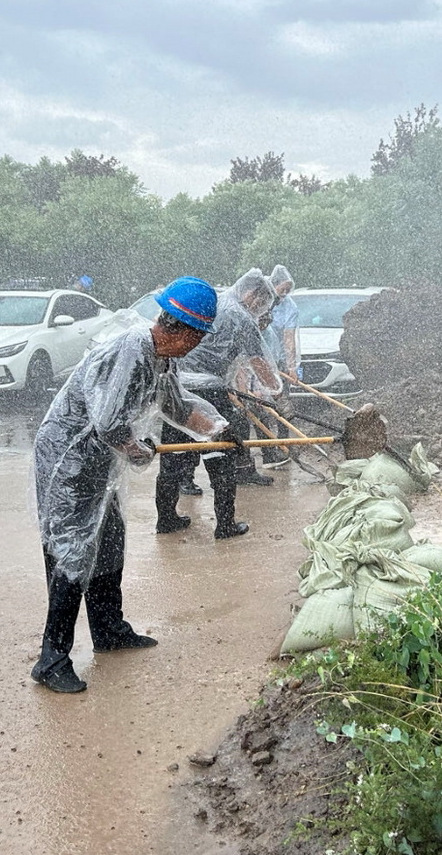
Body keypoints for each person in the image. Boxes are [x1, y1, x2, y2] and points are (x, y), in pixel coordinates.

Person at [31, 276, 227, 694]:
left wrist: (217, 429)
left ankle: (109, 630)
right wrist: (139, 451)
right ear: (180, 328)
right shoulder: (131, 350)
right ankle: (51, 660)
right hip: (69, 459)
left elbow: (176, 406)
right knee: (73, 550)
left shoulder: (161, 359)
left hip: (101, 458)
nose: (196, 345)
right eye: (198, 335)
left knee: (109, 538)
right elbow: (107, 422)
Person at [154, 269, 280, 538]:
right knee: (220, 454)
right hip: (209, 391)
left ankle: (165, 519)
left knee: (173, 454)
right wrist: (274, 389)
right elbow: (258, 360)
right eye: (261, 302)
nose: (260, 309)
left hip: (176, 387)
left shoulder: (217, 303)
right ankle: (225, 524)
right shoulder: (240, 317)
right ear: (252, 293)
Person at [260, 264, 300, 469]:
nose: (284, 294)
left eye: (287, 290)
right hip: (258, 361)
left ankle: (284, 444)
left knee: (284, 403)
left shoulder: (290, 307)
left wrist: (291, 366)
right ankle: (268, 449)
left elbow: (289, 338)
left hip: (279, 362)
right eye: (281, 289)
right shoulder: (262, 301)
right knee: (263, 406)